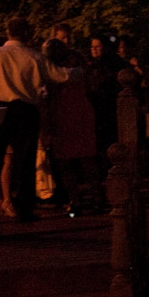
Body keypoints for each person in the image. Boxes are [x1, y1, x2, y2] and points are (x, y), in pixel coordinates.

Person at [0, 17, 54, 222]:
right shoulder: (34, 56)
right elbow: (58, 75)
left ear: (8, 32)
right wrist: (77, 71)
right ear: (26, 33)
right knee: (25, 160)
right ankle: (24, 208)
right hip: (25, 109)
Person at [43, 39, 101, 214]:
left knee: (68, 162)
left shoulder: (56, 70)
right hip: (78, 113)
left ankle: (77, 200)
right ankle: (95, 197)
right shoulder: (77, 65)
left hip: (64, 114)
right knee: (86, 158)